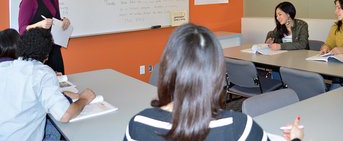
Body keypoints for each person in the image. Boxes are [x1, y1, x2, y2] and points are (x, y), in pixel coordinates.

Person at [124, 23, 303, 141]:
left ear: (167, 68)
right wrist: (295, 139)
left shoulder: (138, 124)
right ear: (217, 73)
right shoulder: (239, 127)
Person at [0, 28, 95, 140]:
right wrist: (84, 99)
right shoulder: (43, 73)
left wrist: (61, 93)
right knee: (59, 128)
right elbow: (65, 115)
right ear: (47, 56)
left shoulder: (6, 67)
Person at [18, 0, 71, 74]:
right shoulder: (28, 0)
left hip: (54, 49)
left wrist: (64, 21)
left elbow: (56, 20)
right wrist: (39, 24)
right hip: (37, 54)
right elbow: (22, 30)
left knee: (59, 82)